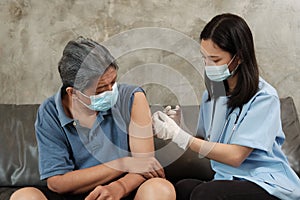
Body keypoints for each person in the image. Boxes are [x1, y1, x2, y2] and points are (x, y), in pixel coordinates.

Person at [152, 13, 300, 200]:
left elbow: (236, 156)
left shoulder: (264, 97)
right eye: (204, 58)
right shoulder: (212, 96)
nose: (207, 66)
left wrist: (181, 137)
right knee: (182, 188)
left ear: (238, 58)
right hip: (227, 180)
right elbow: (205, 144)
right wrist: (177, 127)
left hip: (265, 183)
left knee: (205, 194)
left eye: (215, 60)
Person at [11, 36, 175, 200]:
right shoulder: (50, 112)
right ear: (73, 93)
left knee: (160, 189)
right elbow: (57, 182)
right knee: (23, 196)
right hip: (77, 195)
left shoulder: (132, 98)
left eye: (113, 82)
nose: (111, 92)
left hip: (125, 191)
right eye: (100, 89)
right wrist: (122, 163)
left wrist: (120, 187)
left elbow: (145, 164)